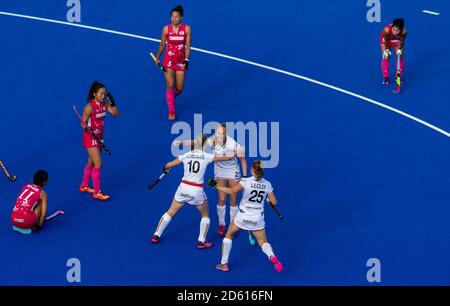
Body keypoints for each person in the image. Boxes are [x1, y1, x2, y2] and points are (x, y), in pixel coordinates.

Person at [151, 134, 235, 248]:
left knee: (170, 212)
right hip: (196, 191)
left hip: (183, 188)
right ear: (205, 145)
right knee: (205, 215)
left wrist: (166, 168)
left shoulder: (186, 155)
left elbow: (169, 164)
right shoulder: (207, 156)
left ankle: (156, 235)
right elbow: (225, 158)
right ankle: (201, 241)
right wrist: (234, 153)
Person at [208, 161, 283, 272]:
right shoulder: (267, 184)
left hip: (242, 217)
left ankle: (224, 264)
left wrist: (217, 186)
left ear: (252, 170)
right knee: (263, 242)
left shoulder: (246, 181)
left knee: (228, 235)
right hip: (257, 219)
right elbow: (274, 202)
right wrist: (266, 198)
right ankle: (271, 255)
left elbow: (232, 191)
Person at [79, 81, 119, 201]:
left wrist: (112, 102)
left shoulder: (105, 105)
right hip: (90, 138)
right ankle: (97, 192)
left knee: (91, 163)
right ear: (94, 94)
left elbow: (116, 114)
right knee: (98, 163)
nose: (103, 96)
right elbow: (82, 123)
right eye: (101, 93)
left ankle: (84, 186)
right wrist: (87, 128)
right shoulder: (89, 107)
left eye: (104, 93)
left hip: (100, 137)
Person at [206, 124, 247, 237]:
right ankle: (222, 224)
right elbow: (197, 143)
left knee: (233, 198)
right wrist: (181, 142)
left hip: (233, 171)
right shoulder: (211, 141)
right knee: (222, 197)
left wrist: (244, 176)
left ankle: (233, 225)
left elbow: (243, 160)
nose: (221, 135)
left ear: (226, 133)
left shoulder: (233, 143)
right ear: (215, 133)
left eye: (223, 133)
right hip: (219, 172)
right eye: (218, 133)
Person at [154, 5, 191, 120]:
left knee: (179, 89)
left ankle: (170, 96)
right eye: (172, 17)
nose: (174, 19)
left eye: (176, 17)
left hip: (180, 62)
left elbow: (188, 46)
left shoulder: (186, 29)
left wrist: (186, 59)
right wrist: (157, 57)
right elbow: (162, 44)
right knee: (170, 85)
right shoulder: (166, 29)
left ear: (181, 17)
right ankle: (171, 111)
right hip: (168, 61)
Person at [380, 18, 407, 84]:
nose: (395, 32)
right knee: (386, 56)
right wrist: (386, 50)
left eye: (397, 30)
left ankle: (398, 77)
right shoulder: (386, 30)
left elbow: (402, 41)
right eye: (394, 29)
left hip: (397, 40)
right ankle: (385, 77)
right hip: (387, 40)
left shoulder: (404, 31)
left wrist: (400, 49)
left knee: (400, 57)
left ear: (401, 30)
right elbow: (386, 42)